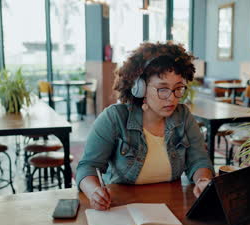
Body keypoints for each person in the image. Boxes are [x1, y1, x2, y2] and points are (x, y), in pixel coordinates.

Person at [76, 42, 214, 211]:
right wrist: (94, 191)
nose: (172, 98)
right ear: (139, 88)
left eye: (178, 88)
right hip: (122, 209)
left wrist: (202, 180)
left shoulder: (183, 116)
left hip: (171, 209)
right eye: (163, 89)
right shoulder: (115, 118)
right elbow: (88, 165)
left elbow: (199, 160)